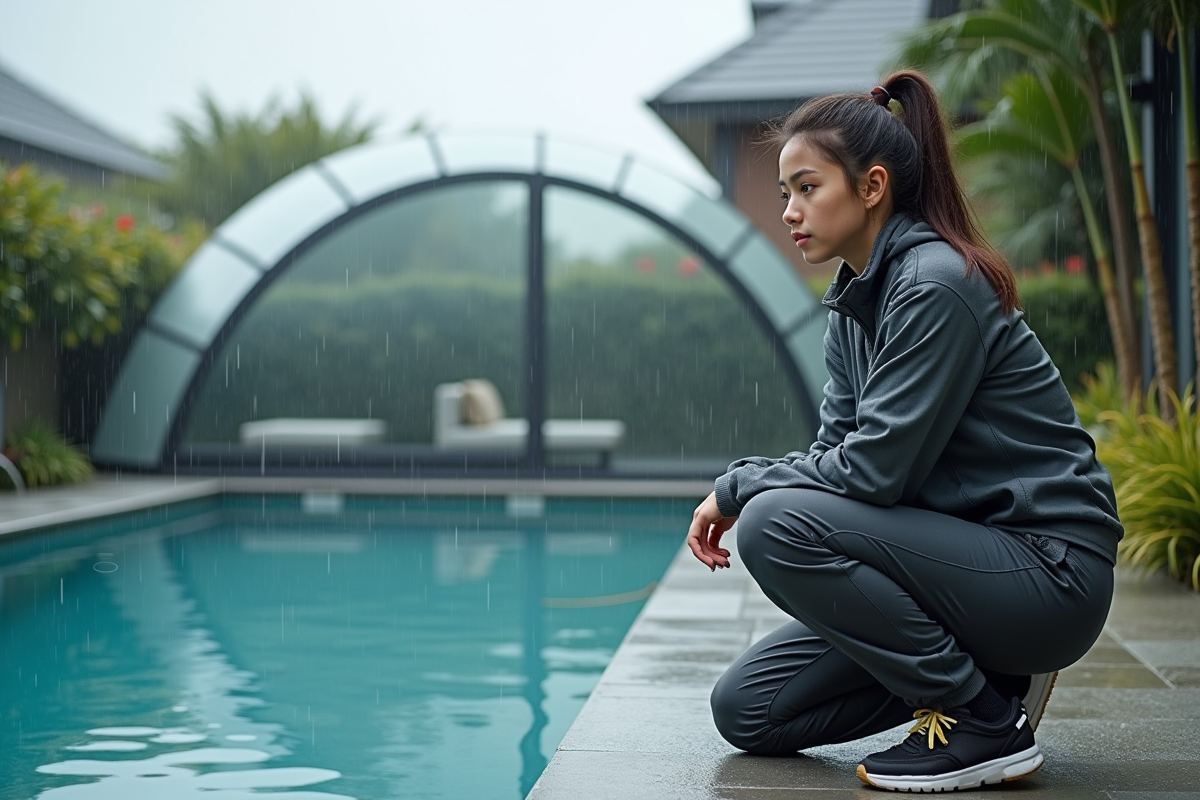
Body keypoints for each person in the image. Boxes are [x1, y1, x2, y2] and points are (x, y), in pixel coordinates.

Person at [686, 70, 1122, 793]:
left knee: (772, 524)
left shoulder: (935, 283)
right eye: (784, 193)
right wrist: (751, 483)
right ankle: (993, 677)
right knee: (748, 712)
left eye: (806, 187)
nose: (790, 210)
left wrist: (737, 487)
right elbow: (838, 454)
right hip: (968, 571)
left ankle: (981, 720)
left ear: (871, 186)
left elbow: (870, 475)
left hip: (1048, 571)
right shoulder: (856, 305)